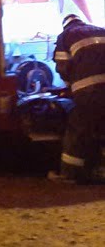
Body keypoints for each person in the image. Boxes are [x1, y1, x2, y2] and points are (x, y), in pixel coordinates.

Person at [51, 14, 105, 184]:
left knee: (78, 128)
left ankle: (69, 174)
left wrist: (68, 86)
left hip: (88, 90)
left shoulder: (66, 35)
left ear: (65, 25)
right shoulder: (101, 30)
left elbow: (62, 66)